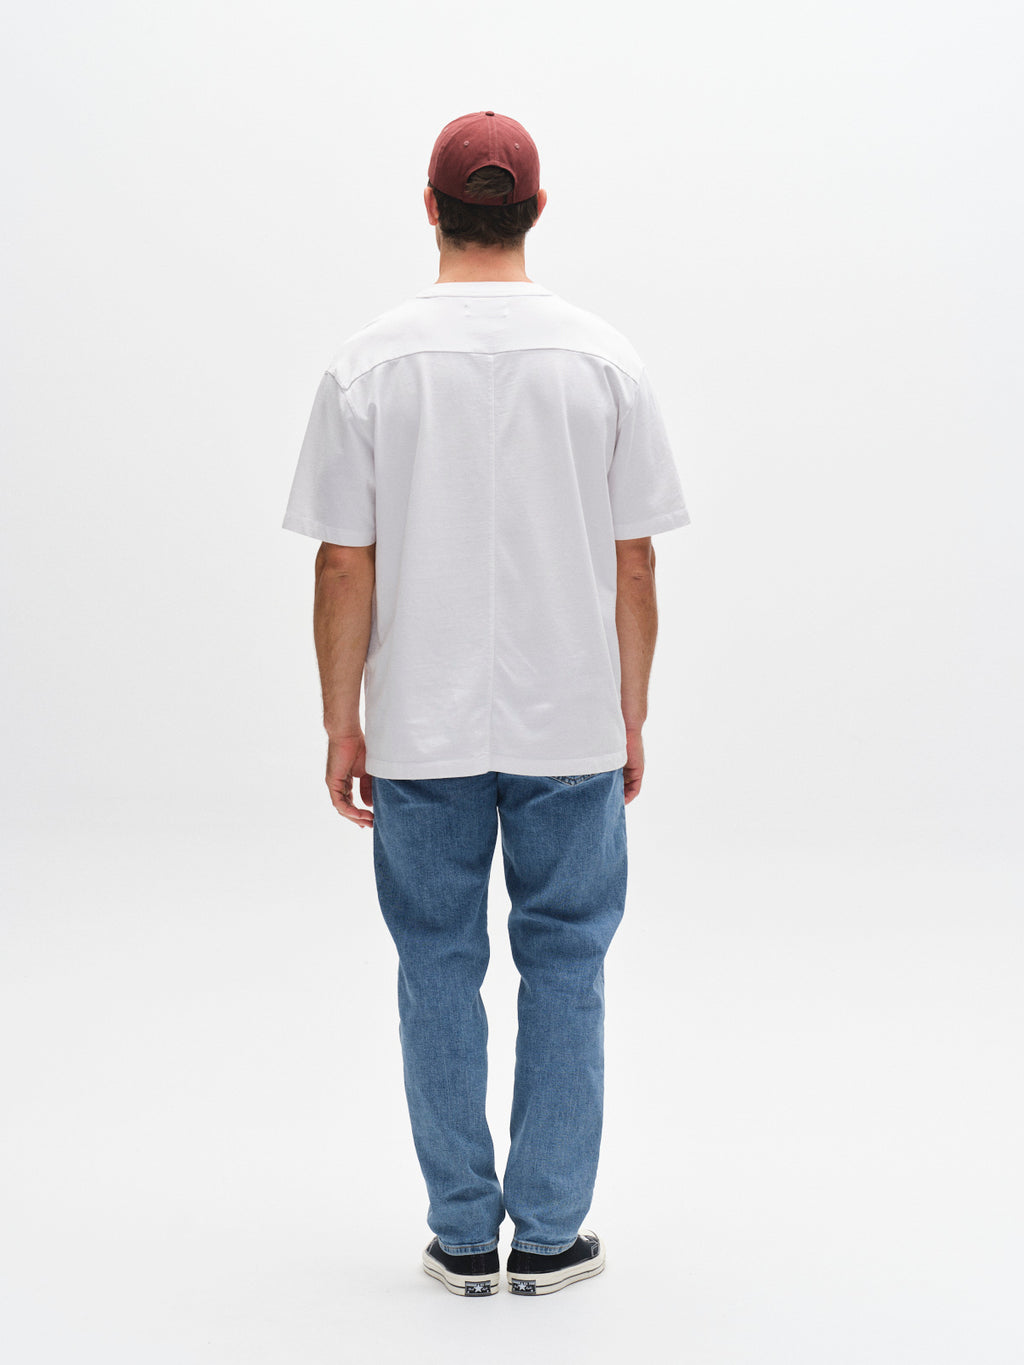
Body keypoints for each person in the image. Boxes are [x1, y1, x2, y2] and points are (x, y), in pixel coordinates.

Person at [281, 109, 691, 1297]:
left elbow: (342, 563)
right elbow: (635, 563)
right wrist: (632, 709)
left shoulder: (368, 365)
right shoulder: (604, 363)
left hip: (420, 725)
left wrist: (339, 720)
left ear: (431, 207)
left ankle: (464, 1234)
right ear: (536, 209)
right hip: (570, 721)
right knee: (568, 966)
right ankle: (551, 1235)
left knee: (435, 968)